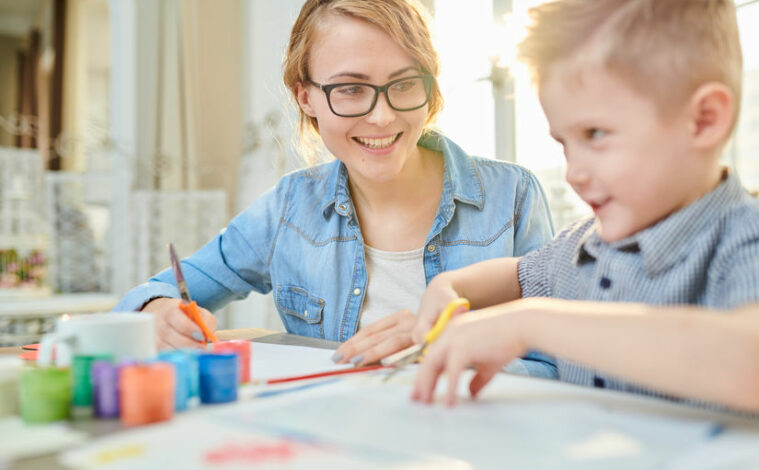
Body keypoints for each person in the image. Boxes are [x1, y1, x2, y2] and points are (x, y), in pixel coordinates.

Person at [114, 0, 555, 378]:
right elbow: (153, 294)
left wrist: (447, 349)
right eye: (351, 89)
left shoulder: (512, 196)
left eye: (403, 84)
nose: (382, 116)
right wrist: (156, 312)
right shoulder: (288, 208)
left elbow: (559, 366)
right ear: (305, 97)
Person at [410, 0, 759, 414]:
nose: (574, 173)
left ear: (704, 120)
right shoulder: (582, 244)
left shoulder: (751, 235)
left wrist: (530, 323)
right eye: (564, 143)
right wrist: (450, 287)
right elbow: (515, 275)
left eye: (595, 134)